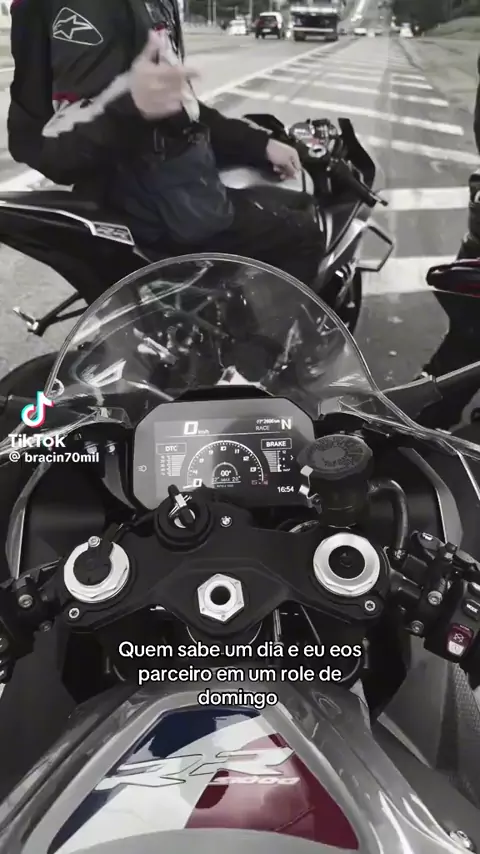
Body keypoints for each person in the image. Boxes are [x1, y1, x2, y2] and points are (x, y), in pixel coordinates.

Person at [7, 0, 325, 292]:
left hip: (171, 190)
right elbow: (47, 146)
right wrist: (133, 107)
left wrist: (259, 144)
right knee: (304, 233)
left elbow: (177, 107)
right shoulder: (94, 8)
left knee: (281, 208)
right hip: (162, 208)